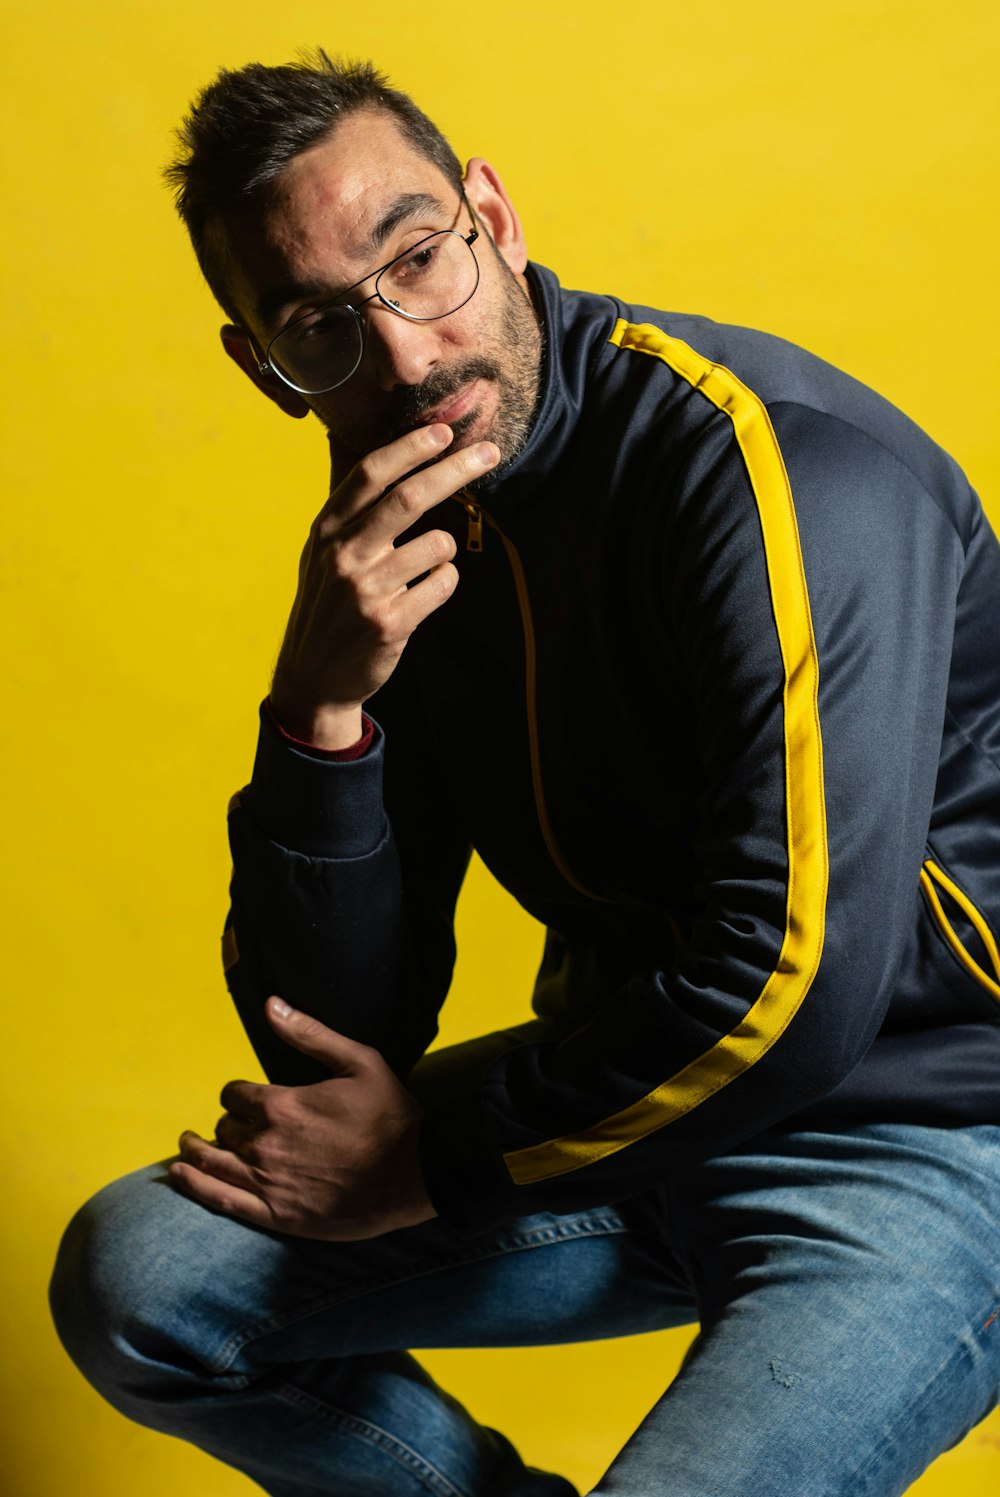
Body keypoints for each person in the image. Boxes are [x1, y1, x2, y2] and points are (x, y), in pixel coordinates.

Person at [50, 49, 1000, 1497]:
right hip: (622, 1105)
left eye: (418, 257)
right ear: (261, 365)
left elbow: (798, 990)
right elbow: (343, 1032)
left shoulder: (776, 467)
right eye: (318, 326)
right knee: (141, 1277)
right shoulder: (400, 544)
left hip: (925, 1131)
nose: (408, 357)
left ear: (493, 214)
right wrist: (322, 714)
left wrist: (440, 1164)